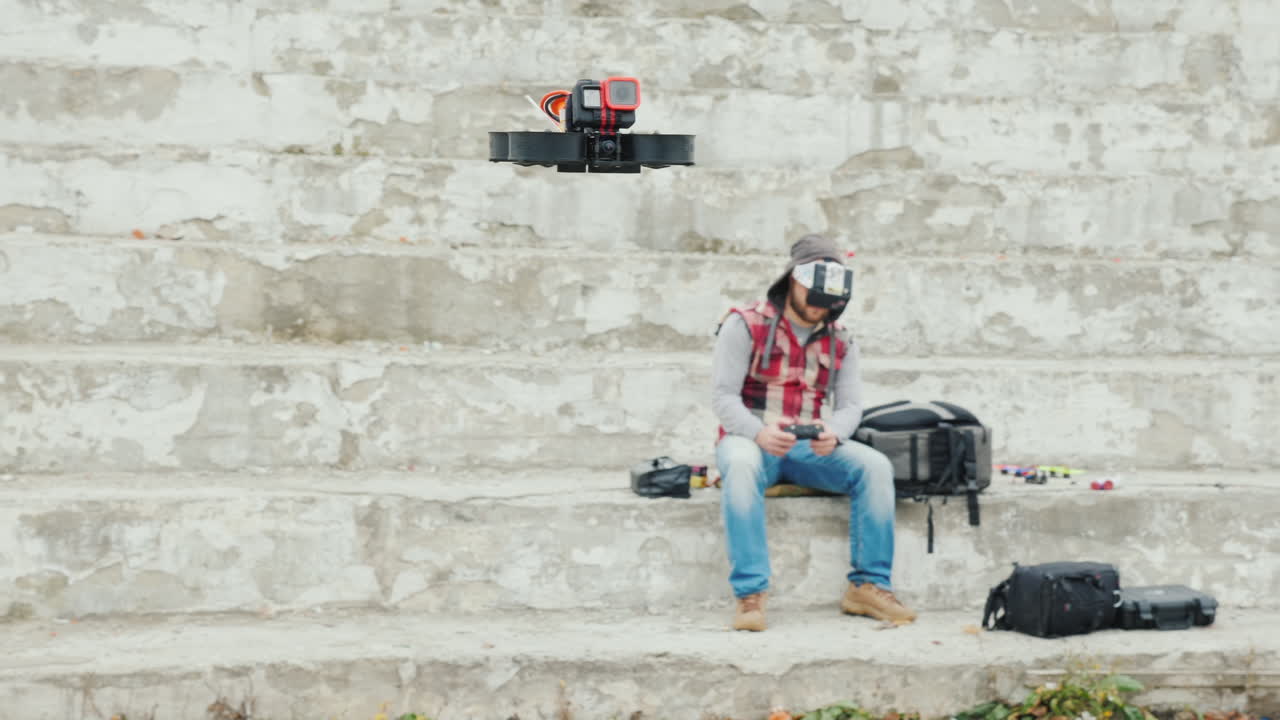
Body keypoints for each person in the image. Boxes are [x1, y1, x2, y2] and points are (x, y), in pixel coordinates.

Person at [710, 234, 916, 632]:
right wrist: (758, 432)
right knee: (738, 463)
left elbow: (851, 405)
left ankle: (869, 585)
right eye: (814, 293)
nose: (822, 306)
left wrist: (835, 433)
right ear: (793, 281)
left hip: (810, 446)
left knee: (873, 466)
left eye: (831, 298)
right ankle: (750, 593)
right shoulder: (744, 324)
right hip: (751, 439)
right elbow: (723, 398)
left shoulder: (841, 338)